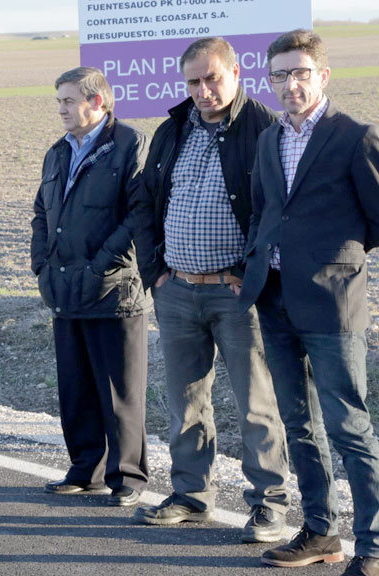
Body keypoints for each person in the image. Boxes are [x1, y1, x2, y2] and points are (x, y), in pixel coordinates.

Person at [132, 37, 290, 543]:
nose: (203, 90)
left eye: (211, 78)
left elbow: (277, 210)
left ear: (236, 73)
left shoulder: (264, 128)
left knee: (255, 403)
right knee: (185, 401)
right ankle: (191, 496)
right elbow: (145, 202)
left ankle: (269, 504)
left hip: (237, 293)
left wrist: (255, 271)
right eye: (193, 82)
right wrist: (154, 269)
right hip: (176, 290)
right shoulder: (172, 129)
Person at [240, 29, 379, 575]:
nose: (290, 84)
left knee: (349, 427)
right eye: (280, 74)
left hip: (331, 303)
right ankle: (321, 532)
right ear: (269, 81)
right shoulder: (269, 139)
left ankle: (371, 546)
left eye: (300, 73)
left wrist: (336, 258)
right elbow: (262, 209)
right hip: (274, 301)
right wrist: (256, 259)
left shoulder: (354, 136)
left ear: (322, 76)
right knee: (297, 424)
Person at [31, 66, 151, 507]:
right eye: (59, 100)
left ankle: (128, 479)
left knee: (120, 393)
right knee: (76, 389)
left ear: (96, 101)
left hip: (113, 292)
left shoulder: (129, 145)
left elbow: (138, 215)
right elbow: (42, 215)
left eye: (68, 100)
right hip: (64, 291)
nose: (60, 109)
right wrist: (40, 265)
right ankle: (85, 470)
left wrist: (101, 267)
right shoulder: (57, 152)